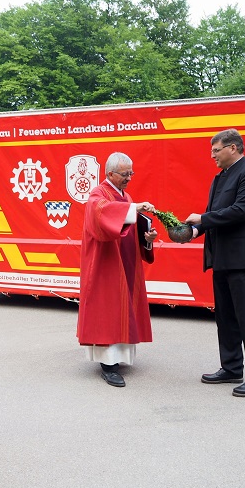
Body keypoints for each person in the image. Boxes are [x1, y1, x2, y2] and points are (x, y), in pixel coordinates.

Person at [185, 128, 245, 397]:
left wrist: (201, 219)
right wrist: (192, 232)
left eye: (216, 150)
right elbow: (214, 216)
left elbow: (240, 211)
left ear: (233, 148)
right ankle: (232, 367)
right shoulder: (219, 177)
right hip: (222, 259)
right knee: (226, 318)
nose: (212, 155)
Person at [77, 152, 157, 387]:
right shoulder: (98, 194)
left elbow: (128, 226)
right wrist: (133, 208)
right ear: (110, 173)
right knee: (108, 308)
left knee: (123, 307)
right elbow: (102, 214)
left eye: (131, 173)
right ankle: (107, 364)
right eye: (125, 174)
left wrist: (147, 237)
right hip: (106, 263)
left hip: (125, 262)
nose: (129, 178)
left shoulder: (125, 195)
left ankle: (118, 357)